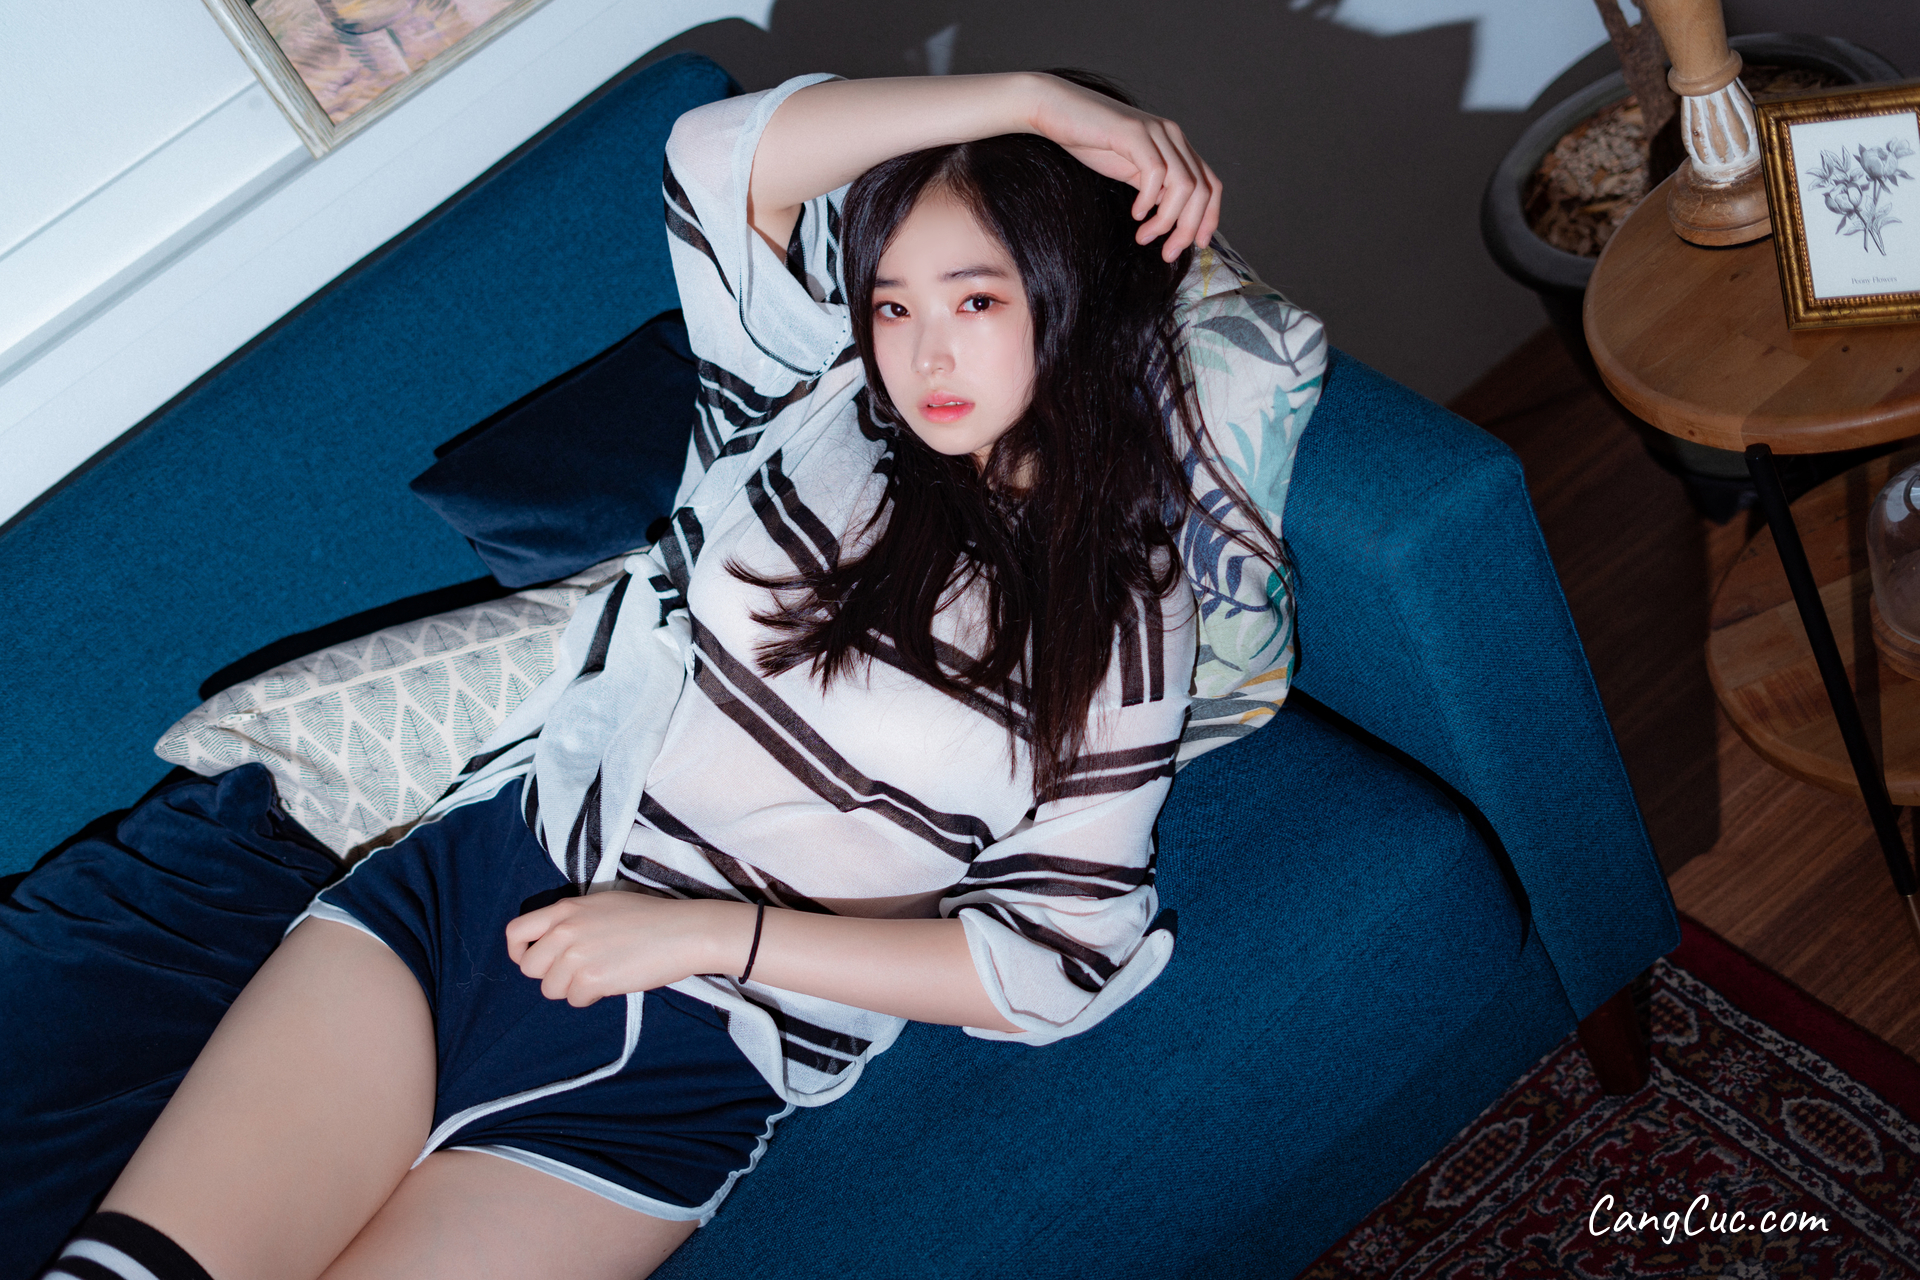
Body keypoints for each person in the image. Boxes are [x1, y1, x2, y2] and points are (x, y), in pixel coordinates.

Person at [41, 69, 1319, 1280]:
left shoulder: (1126, 608)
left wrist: (707, 933)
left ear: (1073, 295)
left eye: (975, 301)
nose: (925, 353)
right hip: (474, 898)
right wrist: (1031, 100)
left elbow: (1056, 959)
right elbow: (713, 157)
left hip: (682, 1068)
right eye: (893, 304)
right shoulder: (810, 407)